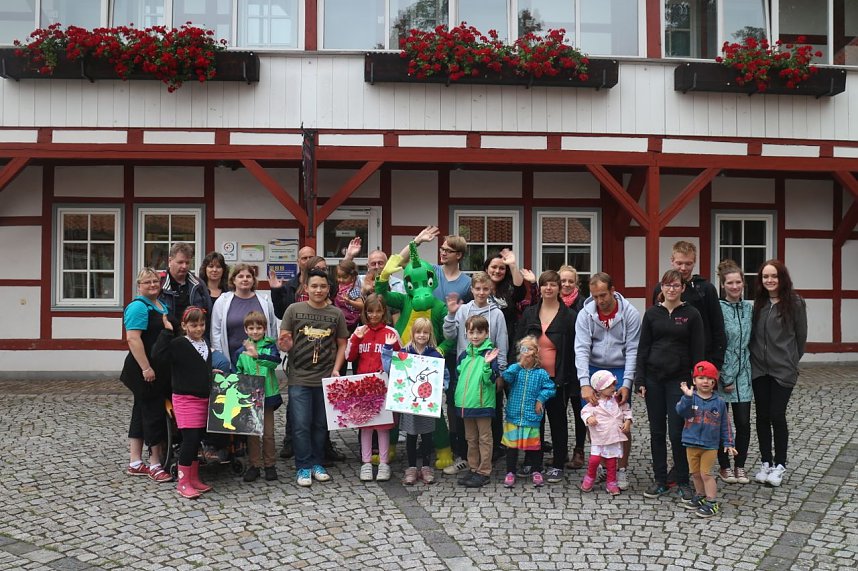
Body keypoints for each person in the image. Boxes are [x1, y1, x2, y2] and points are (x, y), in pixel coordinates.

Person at [636, 269, 704, 501]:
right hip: (654, 379)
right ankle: (660, 479)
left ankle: (683, 481)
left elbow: (698, 350)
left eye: (676, 285)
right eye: (667, 285)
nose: (671, 289)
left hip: (680, 381)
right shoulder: (652, 314)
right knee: (656, 432)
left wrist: (696, 381)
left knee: (677, 432)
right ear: (661, 288)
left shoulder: (692, 314)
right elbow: (643, 348)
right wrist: (640, 379)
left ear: (683, 288)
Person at [278, 268, 349, 487]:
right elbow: (284, 339)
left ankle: (318, 463)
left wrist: (337, 369)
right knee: (300, 424)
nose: (318, 290)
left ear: (329, 289)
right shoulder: (293, 309)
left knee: (320, 424)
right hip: (299, 377)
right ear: (306, 288)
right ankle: (303, 466)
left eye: (323, 286)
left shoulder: (335, 314)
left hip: (325, 378)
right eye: (314, 286)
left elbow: (342, 343)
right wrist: (285, 345)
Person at [574, 272, 640, 489]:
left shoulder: (630, 313)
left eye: (603, 295)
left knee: (621, 422)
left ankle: (621, 468)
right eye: (595, 297)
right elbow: (581, 349)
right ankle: (602, 465)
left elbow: (632, 349)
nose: (600, 301)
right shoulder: (585, 315)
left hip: (620, 367)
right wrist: (584, 383)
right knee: (595, 419)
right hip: (594, 367)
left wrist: (627, 383)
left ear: (613, 290)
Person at [514, 270, 577, 484]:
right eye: (544, 284)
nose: (548, 288)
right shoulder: (530, 314)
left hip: (557, 379)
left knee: (558, 422)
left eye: (553, 284)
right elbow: (519, 343)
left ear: (559, 288)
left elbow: (574, 350)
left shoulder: (569, 316)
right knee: (534, 423)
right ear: (539, 288)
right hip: (532, 379)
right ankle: (534, 461)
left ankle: (558, 463)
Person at [750, 259, 807, 487]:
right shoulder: (759, 304)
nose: (770, 281)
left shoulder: (795, 303)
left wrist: (791, 360)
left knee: (776, 414)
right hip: (759, 369)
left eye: (774, 276)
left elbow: (800, 338)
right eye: (765, 277)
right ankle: (766, 461)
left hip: (783, 370)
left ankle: (780, 464)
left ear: (782, 278)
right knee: (762, 416)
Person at [152, 306, 214, 499]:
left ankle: (194, 478)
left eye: (202, 324)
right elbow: (158, 356)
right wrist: (166, 331)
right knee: (189, 440)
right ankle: (183, 482)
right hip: (186, 399)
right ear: (184, 326)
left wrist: (211, 373)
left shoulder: (204, 343)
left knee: (196, 440)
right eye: (194, 325)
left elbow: (199, 367)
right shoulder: (179, 343)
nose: (198, 329)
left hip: (204, 398)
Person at [120, 268, 172, 484]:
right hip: (143, 369)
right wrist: (146, 368)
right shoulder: (138, 307)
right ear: (138, 286)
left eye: (155, 281)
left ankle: (134, 462)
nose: (152, 285)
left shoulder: (160, 305)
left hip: (156, 368)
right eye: (147, 282)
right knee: (153, 413)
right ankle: (155, 464)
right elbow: (133, 339)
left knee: (141, 410)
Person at [381, 318, 447, 485]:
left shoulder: (435, 354)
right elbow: (390, 369)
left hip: (427, 405)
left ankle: (426, 467)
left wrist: (442, 387)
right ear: (413, 333)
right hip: (409, 405)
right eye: (418, 332)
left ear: (430, 334)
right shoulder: (405, 352)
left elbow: (443, 374)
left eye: (425, 332)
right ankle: (411, 467)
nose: (422, 335)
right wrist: (388, 349)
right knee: (411, 436)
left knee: (426, 436)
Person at [345, 294, 401, 482]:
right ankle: (366, 463)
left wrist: (394, 347)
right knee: (366, 427)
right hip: (363, 387)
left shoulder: (390, 332)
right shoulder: (359, 331)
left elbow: (401, 359)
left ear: (384, 311)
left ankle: (384, 463)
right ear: (365, 312)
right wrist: (355, 340)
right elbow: (349, 358)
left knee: (383, 428)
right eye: (370, 311)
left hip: (383, 386)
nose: (374, 315)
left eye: (378, 311)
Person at [651, 241, 726, 370]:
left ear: (695, 262)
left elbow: (718, 329)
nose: (684, 268)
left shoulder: (706, 289)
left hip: (701, 361)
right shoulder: (660, 289)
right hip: (667, 362)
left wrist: (716, 365)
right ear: (672, 261)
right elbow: (654, 325)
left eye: (688, 263)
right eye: (679, 263)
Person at [677, 361, 737, 517]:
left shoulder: (719, 403)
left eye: (709, 379)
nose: (705, 381)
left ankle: (712, 501)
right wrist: (687, 398)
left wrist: (729, 442)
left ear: (714, 382)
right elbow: (681, 412)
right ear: (694, 381)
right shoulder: (691, 398)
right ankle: (700, 495)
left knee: (706, 474)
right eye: (701, 378)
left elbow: (726, 424)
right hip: (691, 443)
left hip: (710, 445)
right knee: (695, 473)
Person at [234, 311, 283, 483]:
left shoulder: (270, 346)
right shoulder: (240, 351)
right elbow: (238, 371)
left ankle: (270, 464)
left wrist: (258, 356)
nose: (255, 331)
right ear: (246, 330)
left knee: (268, 433)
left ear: (264, 329)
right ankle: (254, 465)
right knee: (253, 433)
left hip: (268, 394)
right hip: (250, 397)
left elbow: (275, 362)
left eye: (259, 328)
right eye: (251, 328)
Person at [716, 260, 753, 485]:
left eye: (738, 282)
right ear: (723, 285)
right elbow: (717, 343)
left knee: (743, 422)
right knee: (722, 422)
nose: (735, 286)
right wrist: (723, 375)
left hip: (744, 374)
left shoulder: (749, 308)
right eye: (730, 282)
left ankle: (740, 465)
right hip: (722, 374)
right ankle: (724, 466)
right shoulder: (718, 309)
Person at [500, 336, 555, 488]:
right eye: (523, 349)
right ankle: (510, 472)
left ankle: (536, 470)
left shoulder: (541, 373)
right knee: (512, 446)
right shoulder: (516, 370)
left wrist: (540, 399)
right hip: (514, 415)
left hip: (531, 416)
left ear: (536, 352)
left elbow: (550, 388)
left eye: (529, 349)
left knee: (534, 446)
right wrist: (518, 365)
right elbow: (506, 377)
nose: (526, 352)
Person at [454, 315, 500, 488]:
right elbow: (459, 377)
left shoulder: (489, 354)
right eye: (471, 332)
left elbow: (490, 381)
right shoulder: (464, 355)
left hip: (482, 404)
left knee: (485, 438)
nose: (475, 336)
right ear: (466, 333)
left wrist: (488, 365)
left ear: (486, 333)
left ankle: (484, 471)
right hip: (466, 405)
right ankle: (473, 468)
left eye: (479, 332)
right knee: (470, 438)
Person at [210, 263, 278, 370]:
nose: (245, 279)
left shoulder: (264, 301)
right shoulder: (223, 301)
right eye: (240, 276)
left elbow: (272, 328)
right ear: (233, 280)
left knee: (258, 387)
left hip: (258, 360)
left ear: (253, 280)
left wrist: (271, 354)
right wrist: (221, 356)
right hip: (231, 358)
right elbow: (216, 331)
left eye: (248, 276)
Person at [580, 370, 632, 495]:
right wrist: (588, 418)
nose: (613, 388)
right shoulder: (594, 403)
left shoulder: (617, 400)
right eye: (609, 386)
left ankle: (611, 482)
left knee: (612, 461)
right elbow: (585, 411)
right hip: (600, 436)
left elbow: (626, 410)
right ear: (600, 388)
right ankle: (590, 477)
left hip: (614, 436)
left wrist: (628, 421)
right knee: (594, 459)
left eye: (614, 385)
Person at [159, 242, 212, 326]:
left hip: (194, 336)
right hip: (167, 336)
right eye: (180, 262)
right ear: (170, 261)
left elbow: (208, 314)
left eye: (187, 263)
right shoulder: (159, 284)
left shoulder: (198, 284)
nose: (184, 266)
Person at [334, 259, 363, 333]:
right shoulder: (340, 287)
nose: (341, 280)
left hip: (351, 322)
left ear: (353, 277)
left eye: (344, 277)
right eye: (339, 277)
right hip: (341, 319)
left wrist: (349, 302)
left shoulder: (353, 290)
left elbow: (362, 305)